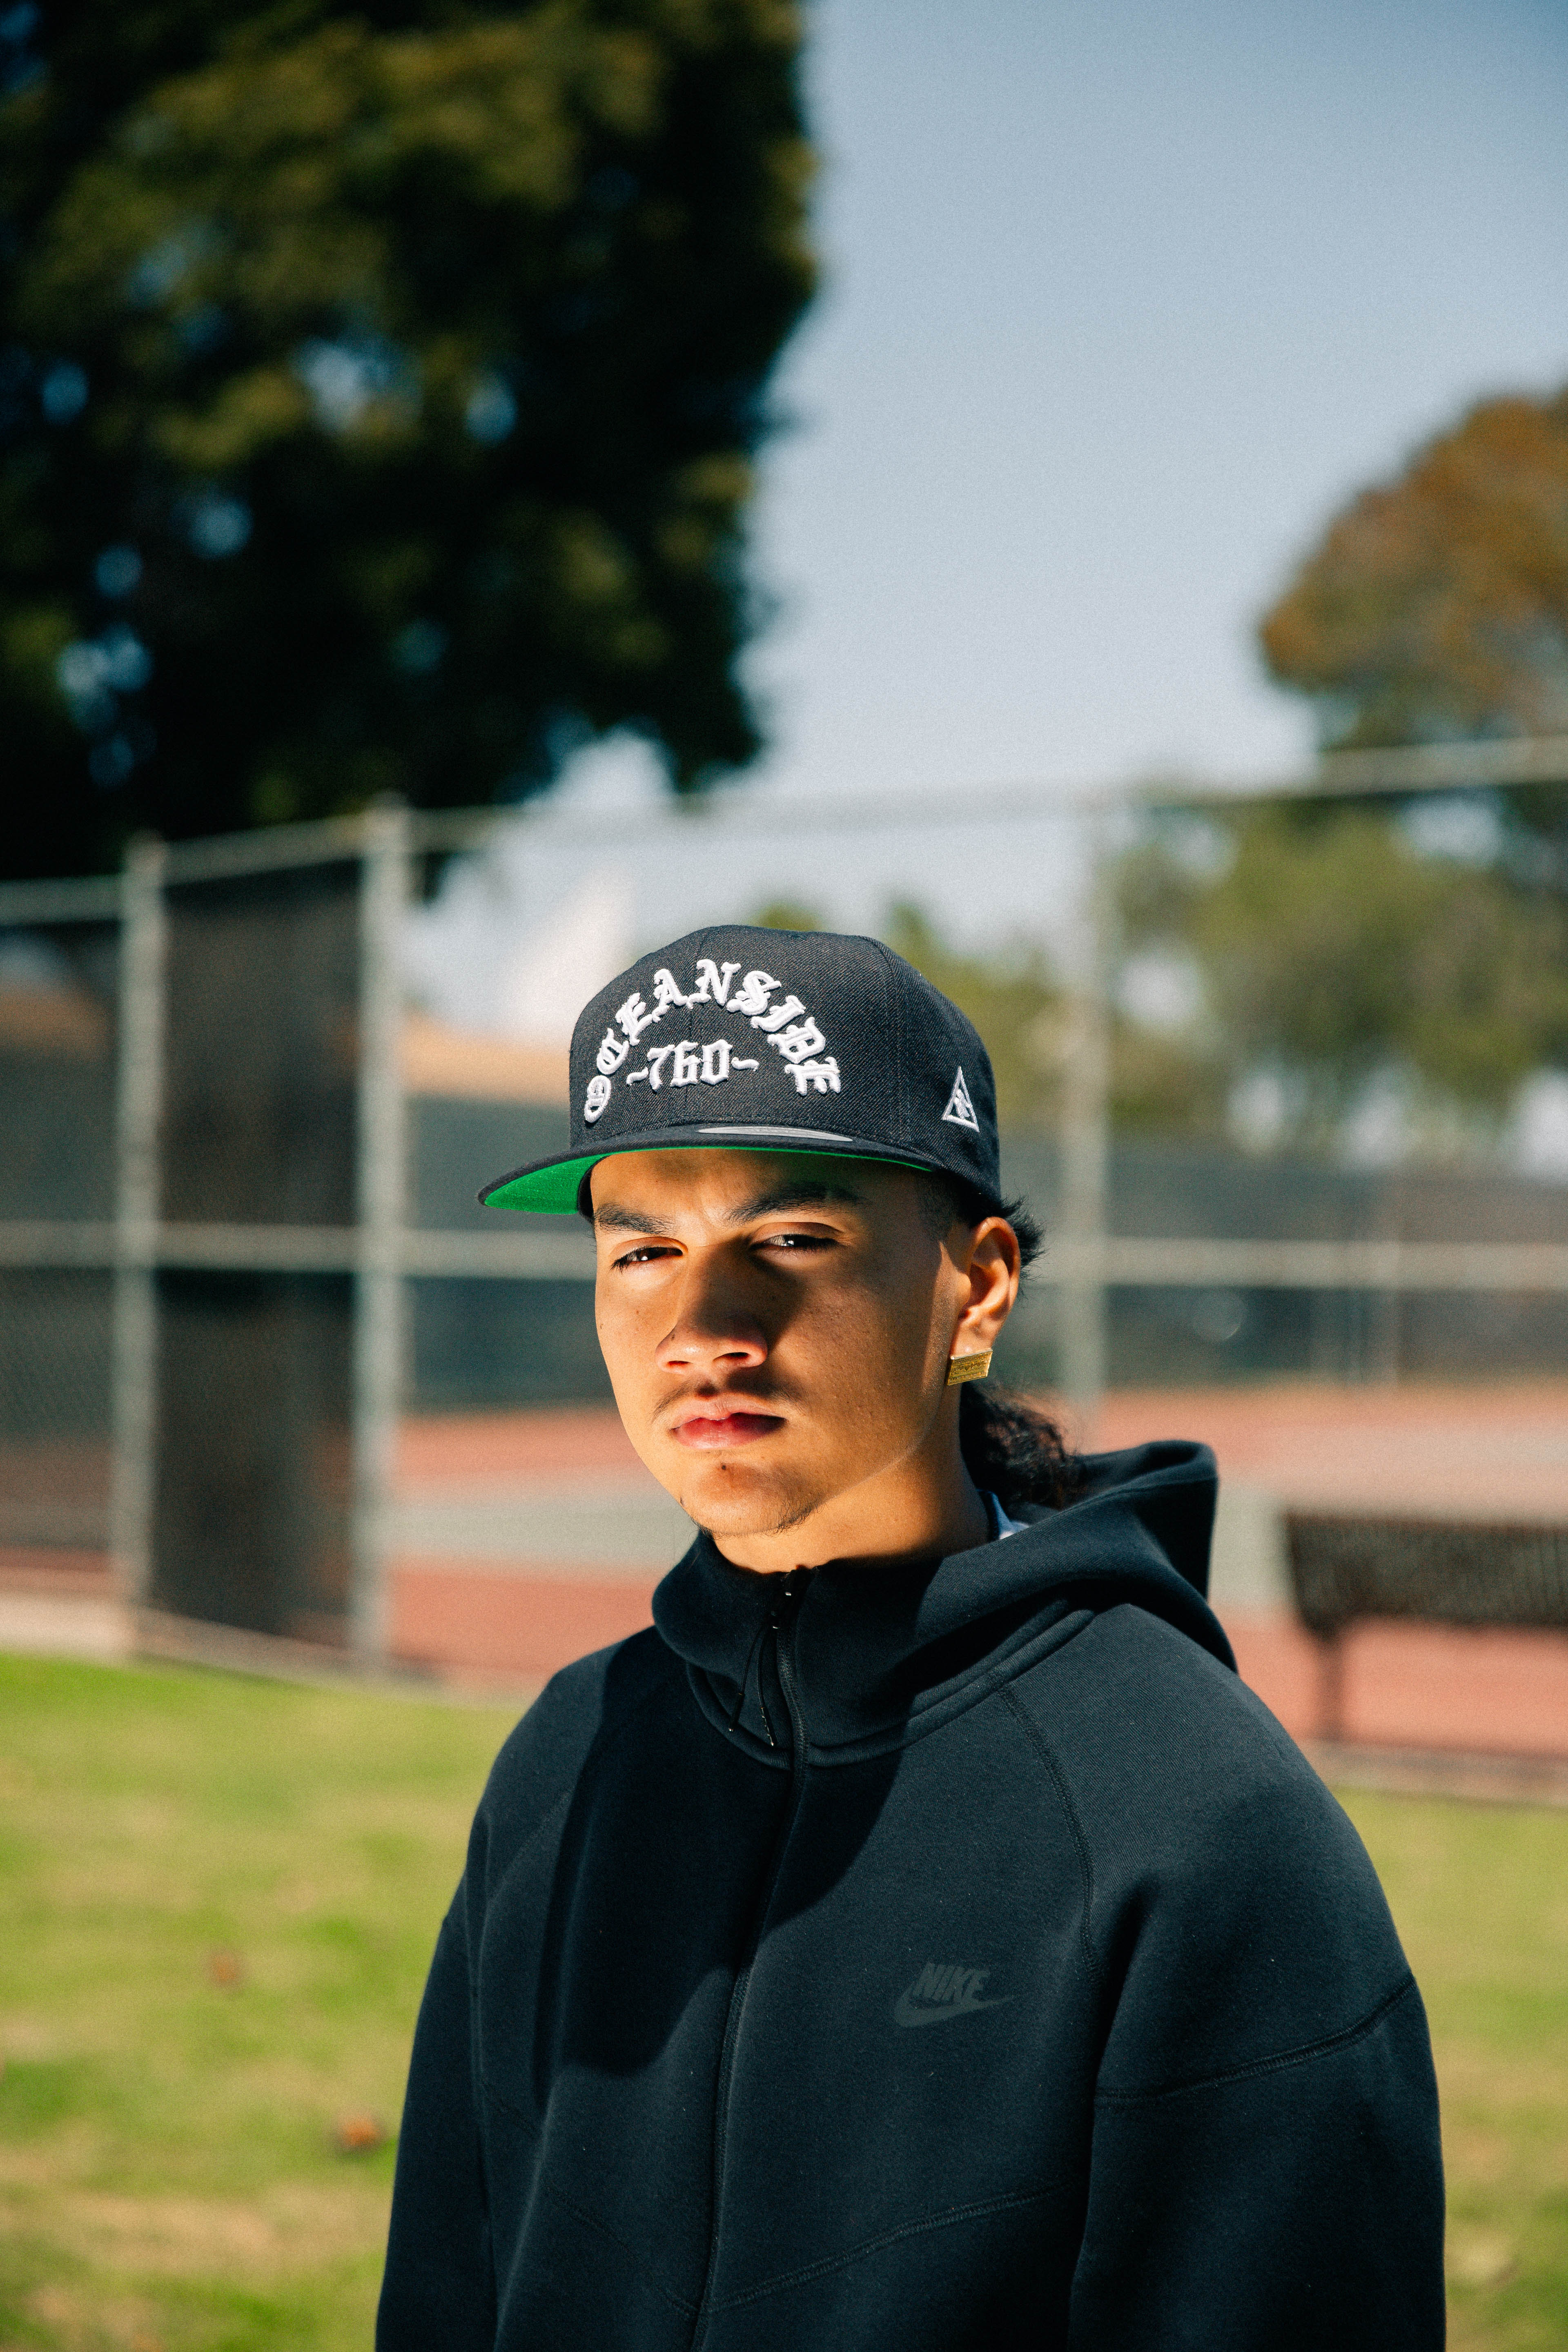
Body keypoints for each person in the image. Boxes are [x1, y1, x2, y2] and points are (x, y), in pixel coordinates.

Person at [377, 924, 1444, 2351]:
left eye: (792, 1240)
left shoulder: (1199, 1828)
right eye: (643, 1250)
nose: (702, 1326)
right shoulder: (565, 1764)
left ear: (977, 1284)